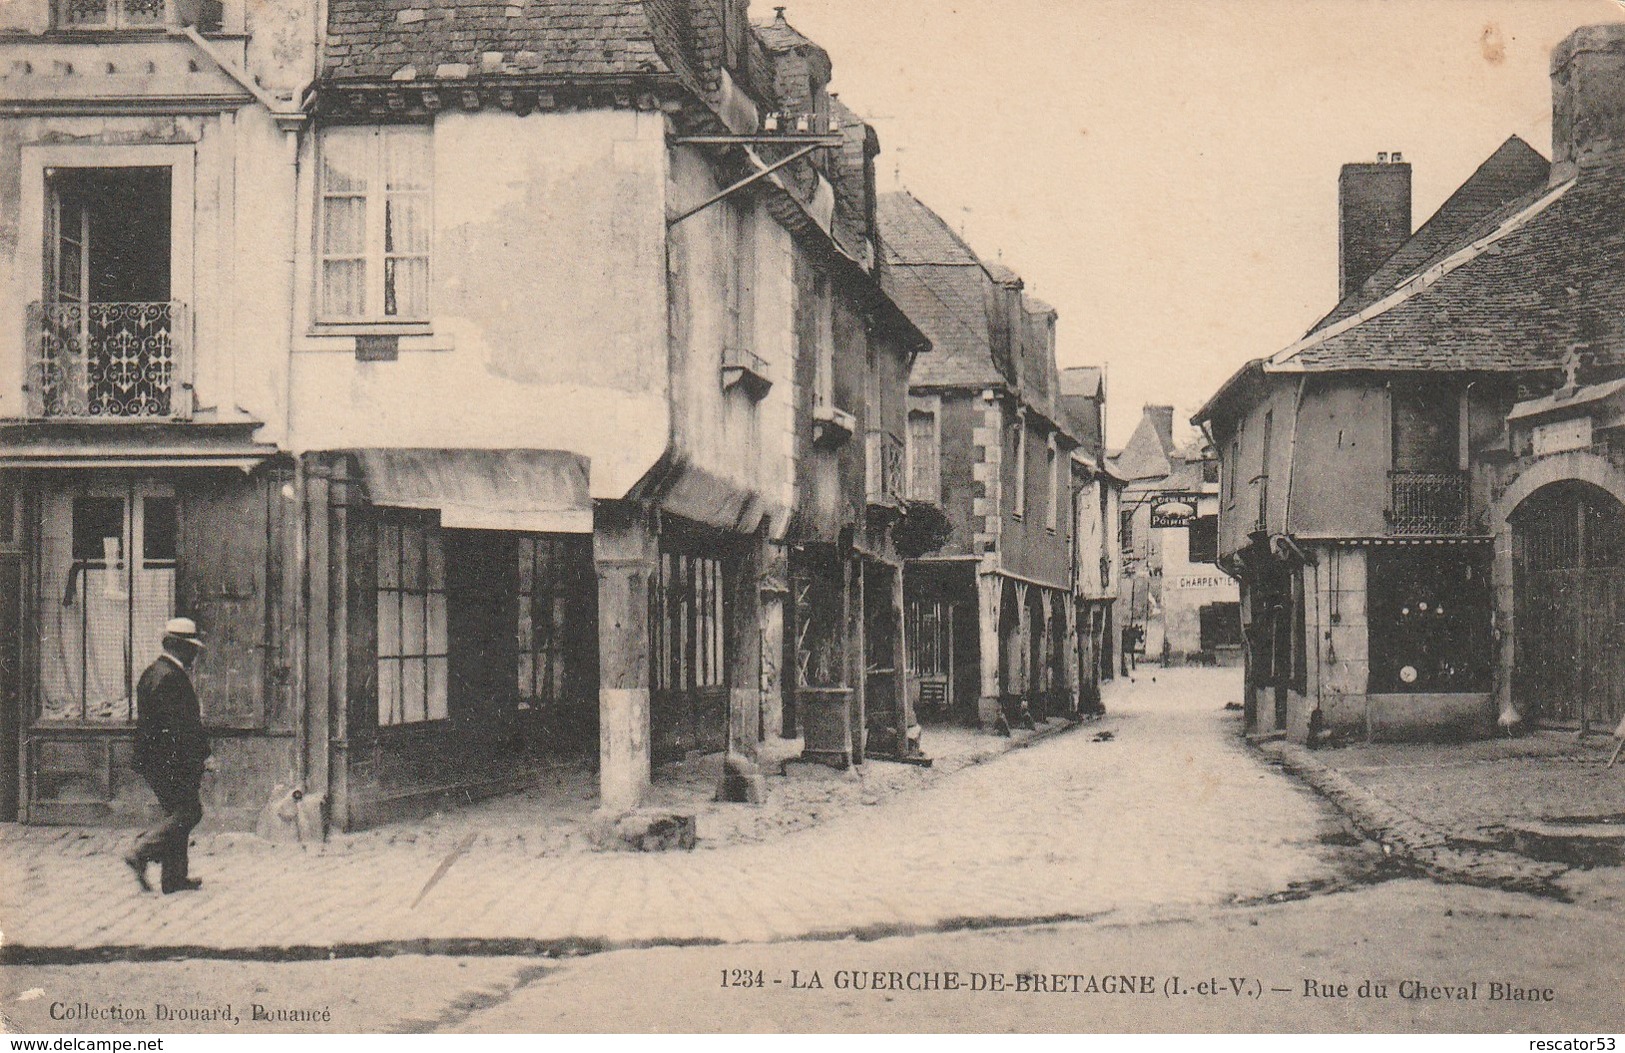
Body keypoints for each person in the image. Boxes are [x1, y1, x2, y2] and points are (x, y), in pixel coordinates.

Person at [124, 617, 212, 894]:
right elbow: (180, 727)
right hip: (169, 760)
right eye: (191, 648)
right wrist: (200, 757)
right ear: (176, 646)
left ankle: (174, 879)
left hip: (157, 759)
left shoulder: (153, 672)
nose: (194, 655)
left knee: (178, 812)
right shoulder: (170, 677)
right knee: (189, 811)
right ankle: (141, 850)